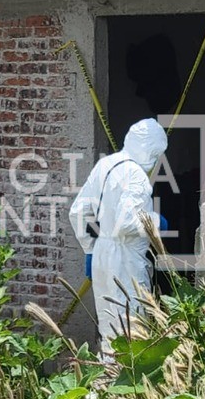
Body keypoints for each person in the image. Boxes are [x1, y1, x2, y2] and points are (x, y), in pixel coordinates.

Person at [70, 118, 168, 356]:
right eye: (156, 154)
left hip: (102, 254)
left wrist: (90, 249)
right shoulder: (136, 175)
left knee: (109, 330)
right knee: (131, 330)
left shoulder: (106, 164)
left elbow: (78, 212)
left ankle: (106, 377)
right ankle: (125, 379)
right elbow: (126, 223)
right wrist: (156, 222)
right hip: (126, 260)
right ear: (151, 151)